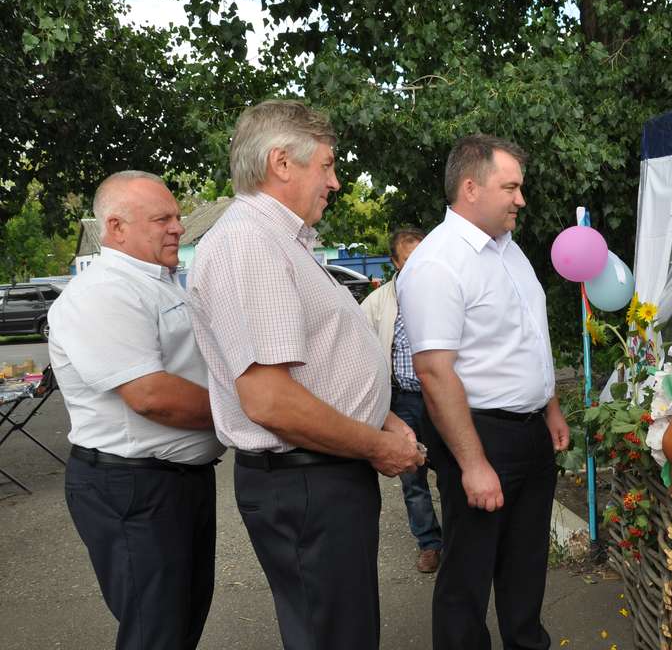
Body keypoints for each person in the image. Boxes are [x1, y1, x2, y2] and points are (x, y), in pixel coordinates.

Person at [187, 99, 423, 650]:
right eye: (328, 165)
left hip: (318, 473)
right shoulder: (251, 243)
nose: (336, 182)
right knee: (333, 636)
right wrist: (376, 445)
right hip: (306, 478)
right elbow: (270, 401)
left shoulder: (277, 242)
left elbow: (318, 365)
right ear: (281, 163)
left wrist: (380, 417)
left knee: (342, 630)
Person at [397, 134, 570, 650]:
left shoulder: (510, 251)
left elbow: (528, 338)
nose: (521, 199)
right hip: (478, 434)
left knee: (526, 566)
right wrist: (472, 463)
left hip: (530, 433)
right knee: (468, 576)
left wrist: (551, 406)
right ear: (470, 188)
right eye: (511, 187)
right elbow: (434, 372)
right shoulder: (437, 263)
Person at [48, 171, 225, 650]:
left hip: (173, 481)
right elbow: (151, 396)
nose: (178, 228)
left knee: (180, 621)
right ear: (115, 226)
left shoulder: (157, 282)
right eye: (162, 219)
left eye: (177, 217)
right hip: (134, 486)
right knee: (155, 632)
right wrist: (249, 411)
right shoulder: (105, 292)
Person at [361, 226, 443, 573]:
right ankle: (430, 543)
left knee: (452, 468)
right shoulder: (378, 303)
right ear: (394, 262)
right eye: (408, 260)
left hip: (441, 398)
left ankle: (462, 541)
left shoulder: (445, 293)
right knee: (412, 476)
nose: (416, 266)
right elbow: (360, 348)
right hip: (403, 401)